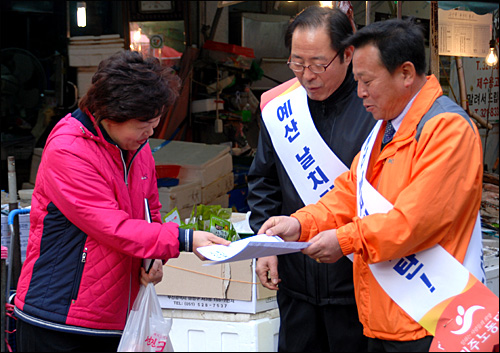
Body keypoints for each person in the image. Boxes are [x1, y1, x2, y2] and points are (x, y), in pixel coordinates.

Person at [258, 18, 484, 352]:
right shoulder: (386, 126)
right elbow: (349, 193)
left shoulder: (447, 130)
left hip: (429, 319)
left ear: (405, 74)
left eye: (366, 80)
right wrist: (299, 223)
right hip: (383, 318)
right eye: (358, 81)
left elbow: (413, 222)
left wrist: (345, 240)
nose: (360, 91)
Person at [14, 50, 230, 352]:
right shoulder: (68, 149)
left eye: (155, 122)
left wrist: (155, 258)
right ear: (109, 112)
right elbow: (112, 227)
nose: (151, 131)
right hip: (61, 316)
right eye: (143, 124)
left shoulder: (138, 148)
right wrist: (185, 239)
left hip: (120, 315)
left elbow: (150, 214)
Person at [247, 6, 375, 352]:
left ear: (347, 54)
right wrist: (264, 246)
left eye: (319, 64)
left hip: (356, 286)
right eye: (297, 63)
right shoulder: (280, 109)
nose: (307, 75)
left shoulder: (374, 109)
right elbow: (263, 181)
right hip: (296, 282)